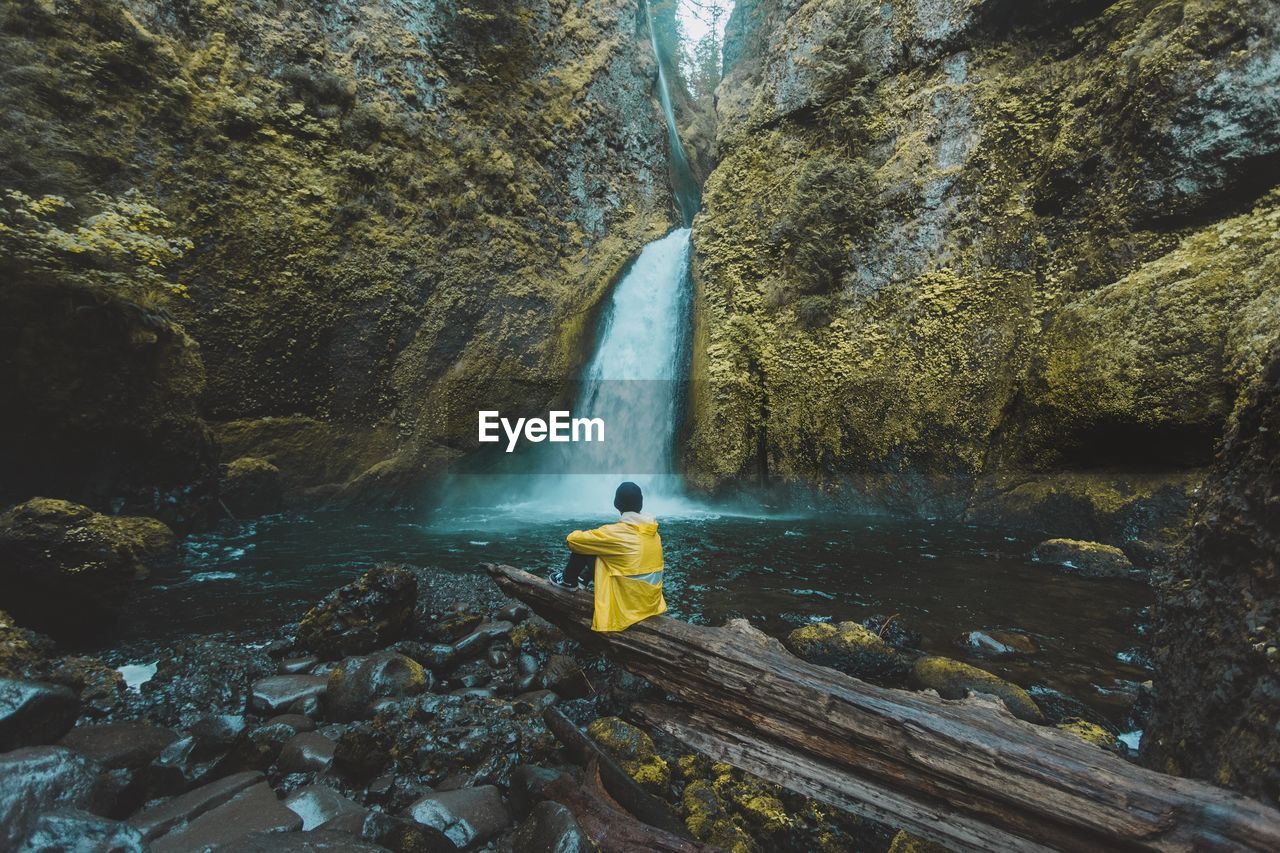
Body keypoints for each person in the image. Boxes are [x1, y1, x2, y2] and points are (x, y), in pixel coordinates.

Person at [555, 481, 666, 632]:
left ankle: (568, 582)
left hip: (626, 606)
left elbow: (572, 541)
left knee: (586, 544)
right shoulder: (653, 531)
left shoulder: (615, 533)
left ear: (617, 504)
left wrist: (587, 534)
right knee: (605, 550)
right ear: (641, 504)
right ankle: (582, 579)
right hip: (650, 602)